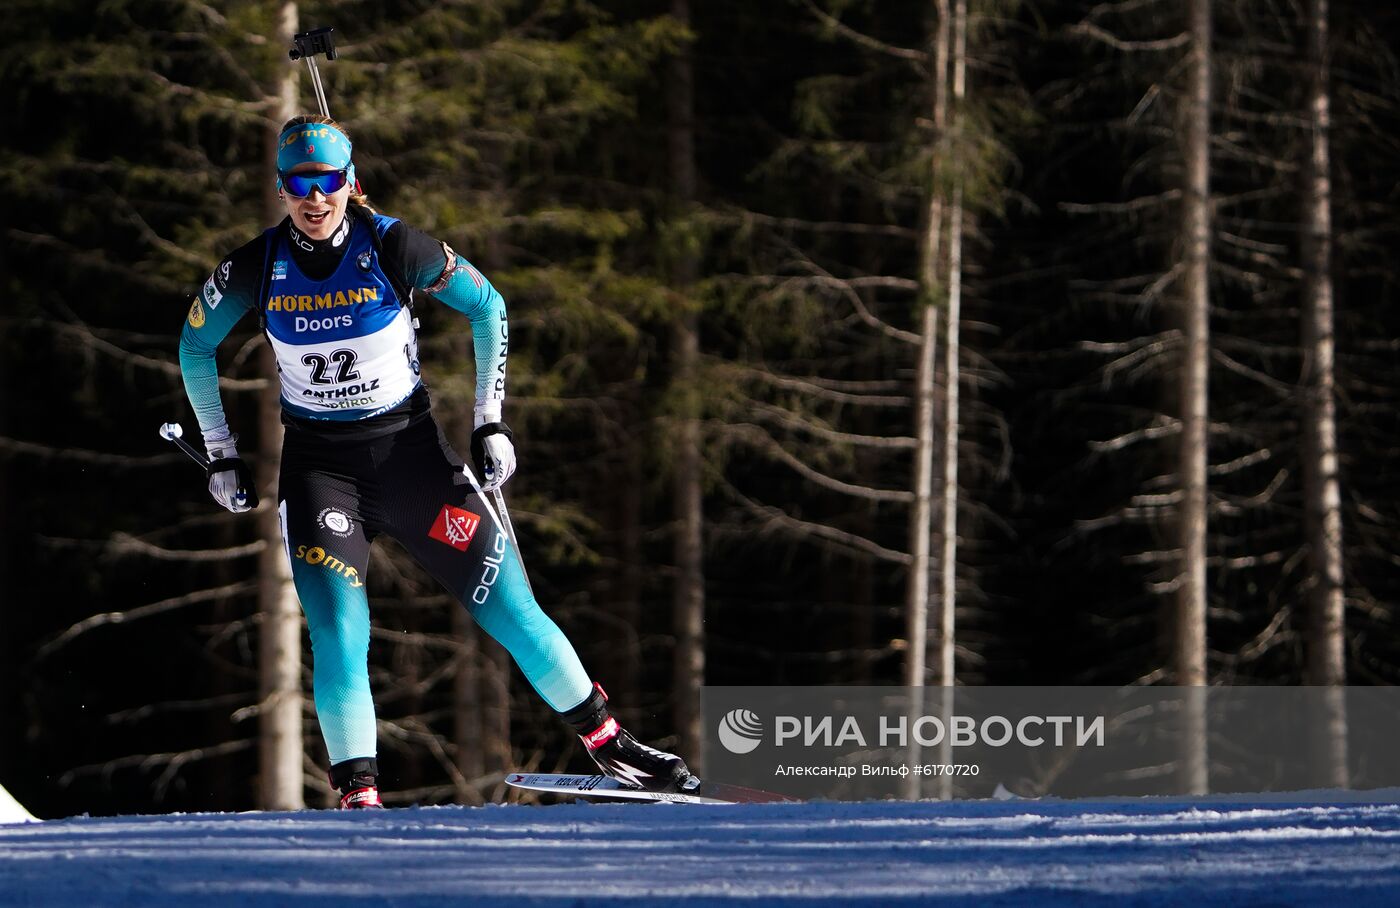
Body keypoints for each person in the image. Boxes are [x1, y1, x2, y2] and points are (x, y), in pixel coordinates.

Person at [178, 115, 693, 809]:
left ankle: (614, 749)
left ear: (349, 183)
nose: (315, 197)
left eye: (327, 181)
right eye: (300, 183)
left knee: (511, 607)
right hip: (321, 472)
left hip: (413, 460)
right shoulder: (254, 266)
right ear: (280, 187)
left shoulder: (394, 245)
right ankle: (359, 796)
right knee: (336, 628)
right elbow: (194, 348)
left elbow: (488, 307)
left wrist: (491, 424)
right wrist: (221, 455)